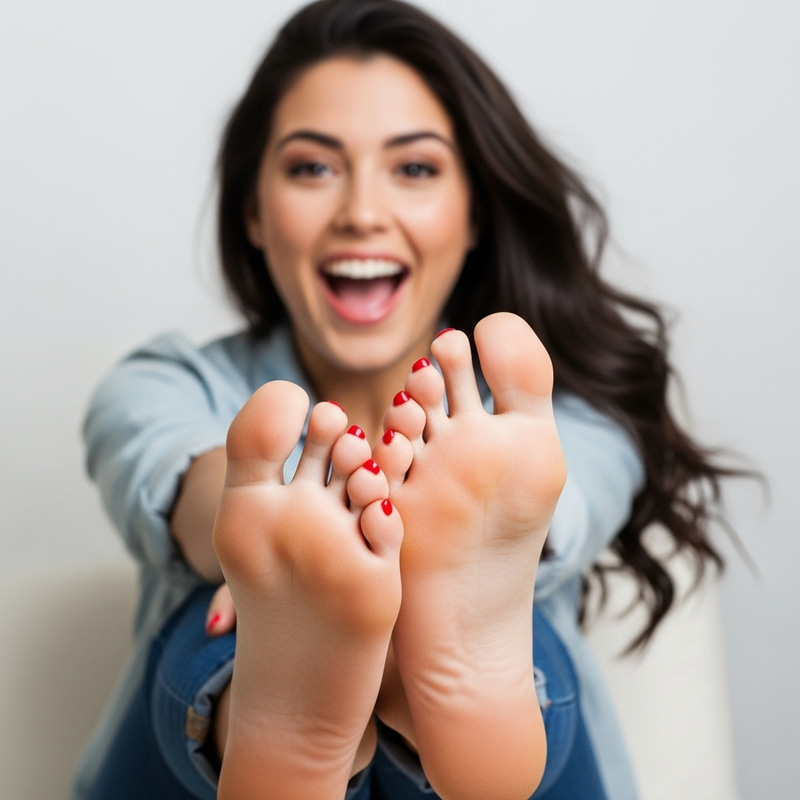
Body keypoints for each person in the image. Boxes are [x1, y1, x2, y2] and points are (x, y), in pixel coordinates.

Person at [73, 1, 739, 798]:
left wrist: (398, 584)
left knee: (490, 595)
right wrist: (280, 546)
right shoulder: (162, 382)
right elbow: (176, 482)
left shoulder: (565, 404)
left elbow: (561, 513)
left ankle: (437, 701)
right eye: (312, 168)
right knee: (252, 592)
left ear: (475, 212)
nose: (361, 212)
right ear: (254, 210)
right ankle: (276, 716)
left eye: (415, 168)